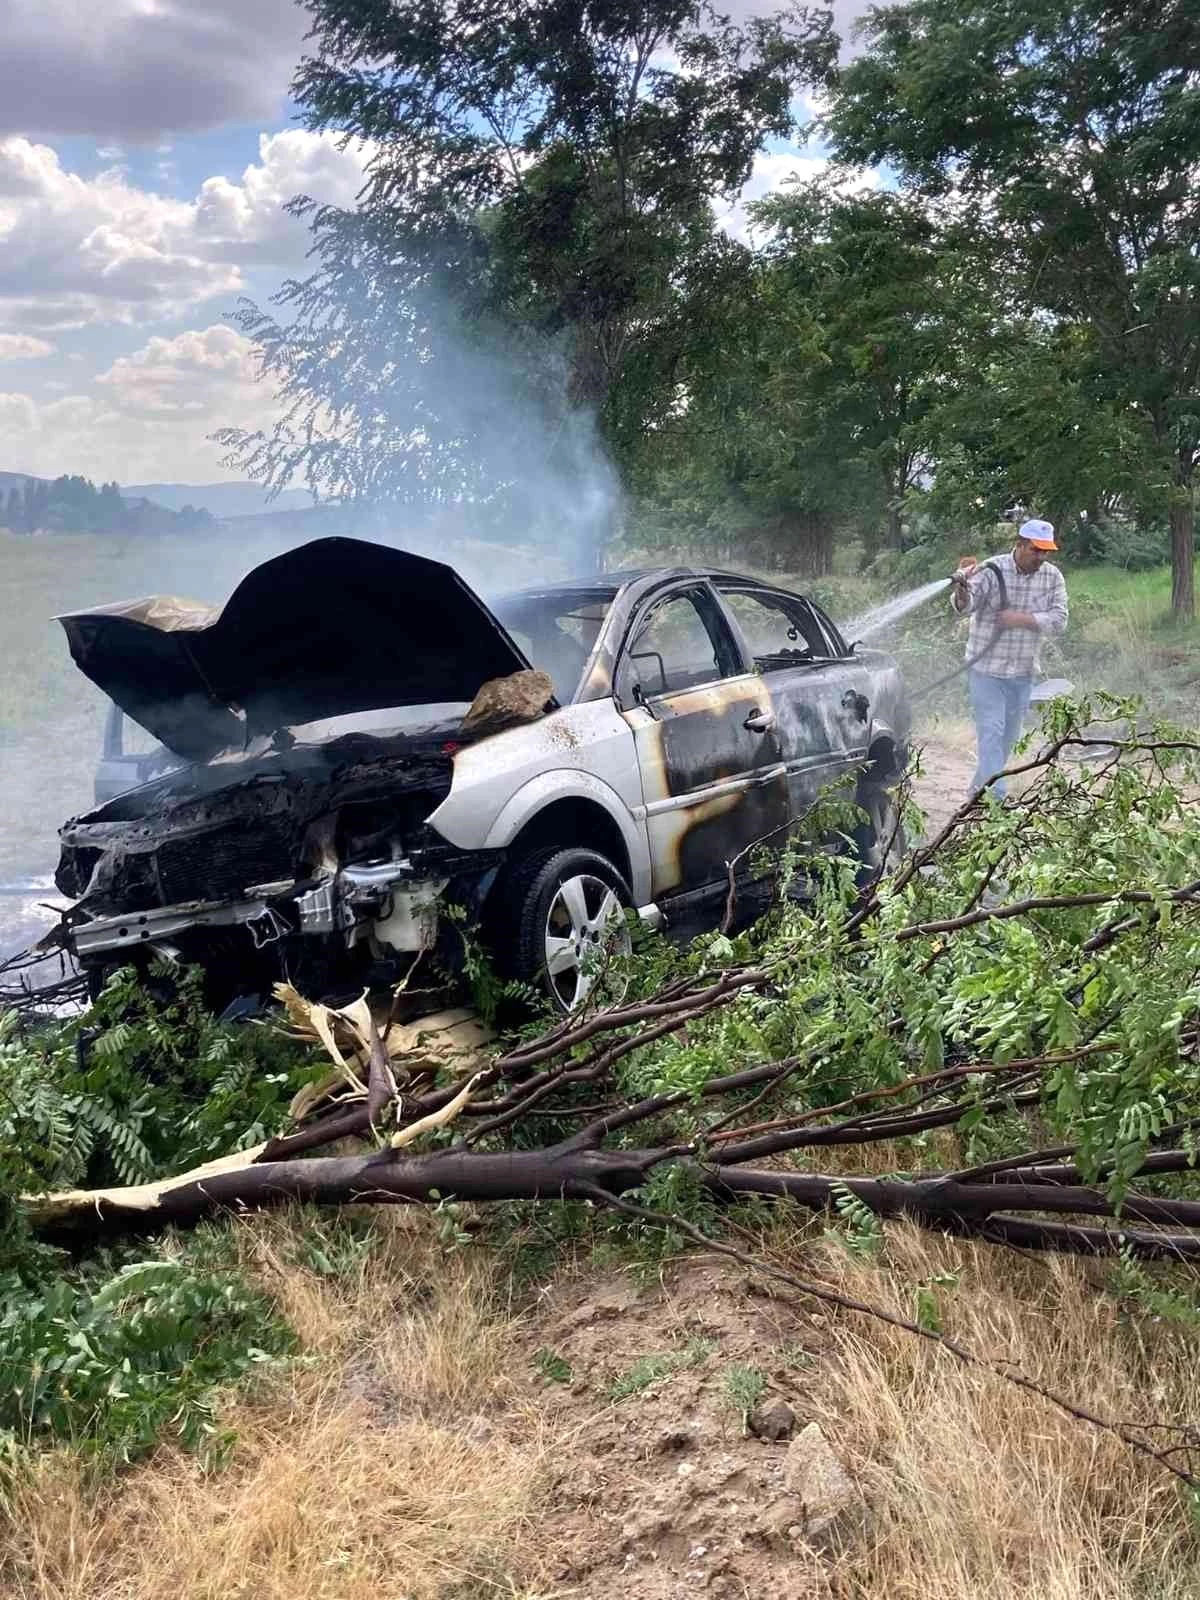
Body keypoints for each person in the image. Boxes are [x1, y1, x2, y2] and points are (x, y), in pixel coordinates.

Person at [950, 518, 1068, 797]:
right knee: (991, 731)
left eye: (1046, 551)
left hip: (1024, 671)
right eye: (1036, 550)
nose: (1041, 557)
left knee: (1008, 739)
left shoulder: (1052, 577)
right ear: (1019, 544)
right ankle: (997, 802)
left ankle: (978, 791)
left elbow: (1060, 621)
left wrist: (1020, 619)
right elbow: (965, 607)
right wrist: (961, 587)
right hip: (986, 670)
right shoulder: (992, 569)